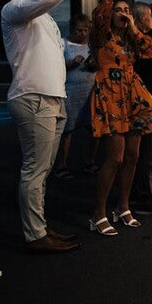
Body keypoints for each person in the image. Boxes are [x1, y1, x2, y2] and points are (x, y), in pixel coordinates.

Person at [1, 0, 99, 253]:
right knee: (34, 170)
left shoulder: (43, 16)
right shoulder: (15, 7)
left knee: (42, 171)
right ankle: (36, 235)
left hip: (54, 98)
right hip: (33, 97)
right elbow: (42, 1)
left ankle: (40, 227)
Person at [89, 0, 152, 236]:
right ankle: (98, 213)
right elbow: (98, 15)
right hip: (110, 95)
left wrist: (133, 27)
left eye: (127, 10)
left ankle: (123, 207)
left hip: (132, 97)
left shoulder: (131, 37)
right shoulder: (101, 36)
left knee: (133, 156)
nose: (123, 12)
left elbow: (151, 49)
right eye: (119, 10)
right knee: (115, 158)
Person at [54, 13, 97, 180]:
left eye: (86, 30)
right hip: (70, 93)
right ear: (73, 29)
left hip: (89, 92)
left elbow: (98, 64)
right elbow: (56, 66)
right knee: (67, 130)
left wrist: (93, 64)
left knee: (93, 129)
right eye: (80, 30)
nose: (83, 33)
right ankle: (62, 164)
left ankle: (90, 161)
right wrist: (71, 63)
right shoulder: (63, 44)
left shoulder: (91, 46)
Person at [130, 1, 152, 214]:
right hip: (145, 99)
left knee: (151, 151)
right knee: (148, 151)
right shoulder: (145, 42)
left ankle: (146, 192)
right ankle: (144, 197)